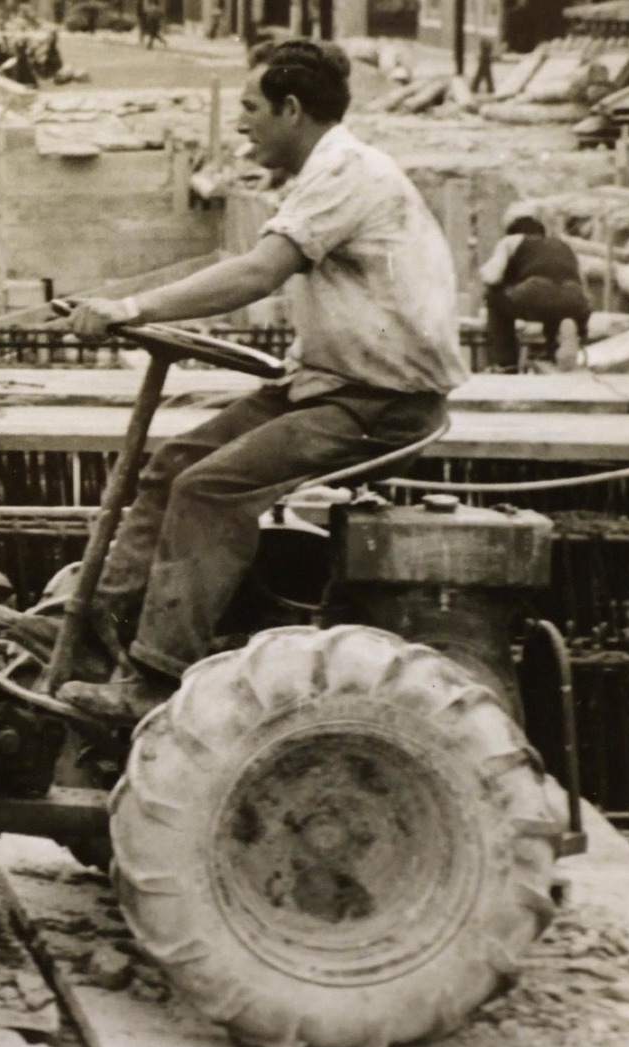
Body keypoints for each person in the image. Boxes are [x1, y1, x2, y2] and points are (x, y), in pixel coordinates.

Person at [54, 39, 463, 720]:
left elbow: (256, 272)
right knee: (171, 465)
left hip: (381, 402)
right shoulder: (325, 171)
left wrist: (131, 308)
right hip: (329, 383)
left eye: (249, 108)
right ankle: (94, 629)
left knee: (208, 489)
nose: (240, 123)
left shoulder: (347, 173)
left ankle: (151, 680)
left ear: (291, 109)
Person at [479, 214, 589, 372]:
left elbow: (492, 277)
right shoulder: (563, 245)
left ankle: (506, 364)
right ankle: (554, 351)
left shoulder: (511, 241)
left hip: (537, 290)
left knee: (494, 298)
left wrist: (491, 275)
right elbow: (584, 287)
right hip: (576, 300)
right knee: (556, 309)